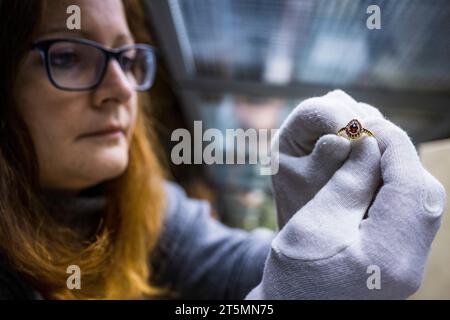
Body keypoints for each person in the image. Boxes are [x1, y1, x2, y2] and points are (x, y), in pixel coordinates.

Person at [0, 0, 445, 300]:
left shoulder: (142, 204)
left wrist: (304, 251)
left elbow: (235, 265)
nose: (120, 88)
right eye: (67, 57)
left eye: (127, 59)